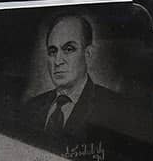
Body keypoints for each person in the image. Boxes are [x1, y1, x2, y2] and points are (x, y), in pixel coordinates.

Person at [21, 14, 129, 153]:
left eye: (69, 49)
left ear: (88, 54)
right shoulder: (31, 107)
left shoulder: (113, 107)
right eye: (52, 51)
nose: (58, 61)